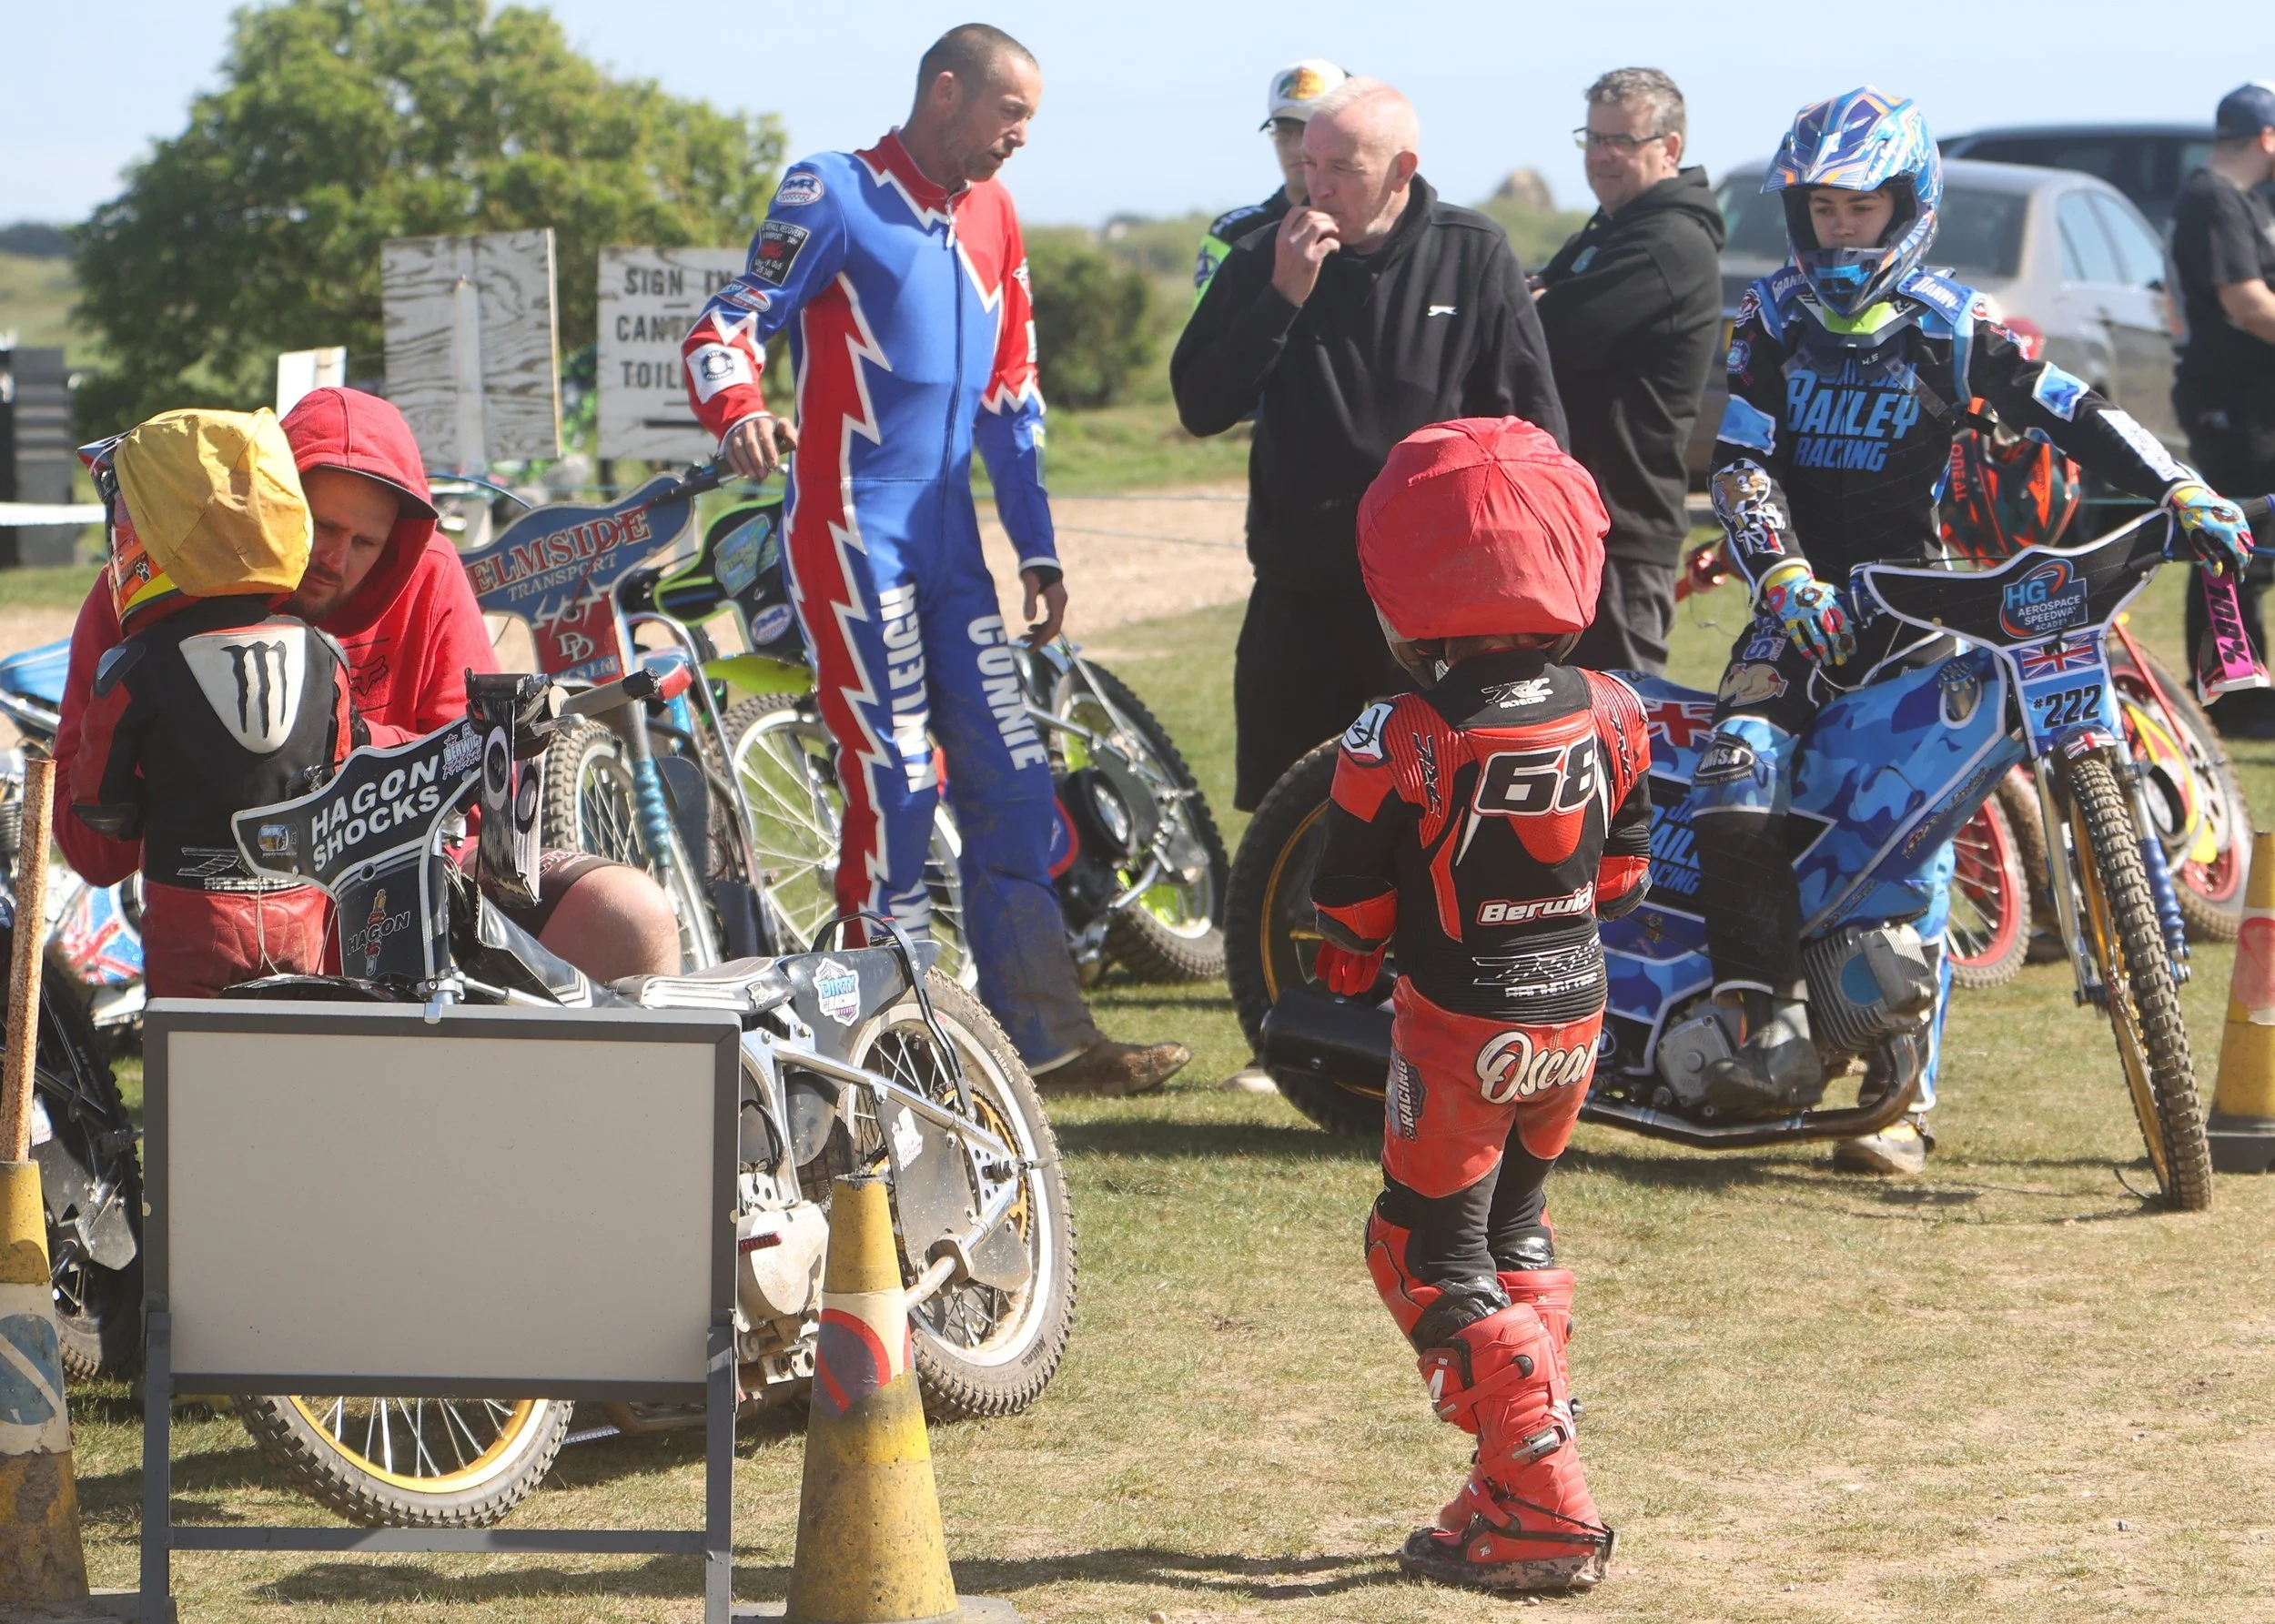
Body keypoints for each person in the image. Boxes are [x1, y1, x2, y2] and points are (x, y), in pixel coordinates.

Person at [1694, 87, 2253, 1173]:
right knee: (1735, 776)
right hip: (1800, 606)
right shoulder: (1766, 318)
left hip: (1928, 608)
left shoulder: (1954, 323)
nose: (1838, 230)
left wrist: (2181, 488)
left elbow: (2074, 412)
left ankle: (1901, 1100)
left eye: (1859, 209)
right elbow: (1740, 463)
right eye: (1820, 211)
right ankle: (1757, 1021)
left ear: (1907, 205)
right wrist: (1786, 576)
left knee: (1921, 830)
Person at [678, 24, 1188, 1096]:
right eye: (1011, 116)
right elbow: (727, 324)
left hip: (953, 546)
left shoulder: (998, 217)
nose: (1020, 141)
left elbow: (1015, 400)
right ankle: (883, 1038)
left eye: (1031, 123)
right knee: (897, 780)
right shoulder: (831, 191)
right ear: (946, 93)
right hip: (851, 530)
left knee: (1009, 784)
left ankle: (1046, 1040)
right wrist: (735, 412)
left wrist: (1037, 545)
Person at [1312, 417, 1646, 1594]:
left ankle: (1544, 1491)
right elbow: (1623, 874)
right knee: (1514, 1236)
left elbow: (1344, 900)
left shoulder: (1398, 730)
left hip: (1460, 1031)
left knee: (1419, 1253)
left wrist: (1349, 966)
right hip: (1575, 1019)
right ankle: (1508, 1486)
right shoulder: (1615, 706)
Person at [54, 387, 686, 985]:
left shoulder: (429, 573)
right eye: (321, 528)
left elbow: (479, 797)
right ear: (271, 503)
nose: (336, 557)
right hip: (223, 916)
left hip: (410, 902)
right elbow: (89, 847)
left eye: (366, 542)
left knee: (630, 916)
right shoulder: (149, 588)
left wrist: (326, 754)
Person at [1172, 76, 1568, 816]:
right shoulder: (1265, 255)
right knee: (1288, 827)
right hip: (1297, 595)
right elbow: (1201, 405)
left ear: (1400, 170)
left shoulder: (1473, 253)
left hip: (1431, 612)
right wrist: (1281, 296)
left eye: (1341, 170)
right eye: (1308, 164)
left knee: (1429, 820)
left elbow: (1534, 428)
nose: (1315, 187)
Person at [66, 409, 351, 997]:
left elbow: (99, 802)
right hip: (299, 903)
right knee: (303, 1061)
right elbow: (348, 774)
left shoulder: (134, 662)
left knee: (187, 1067)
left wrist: (139, 806)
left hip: (190, 907)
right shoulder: (327, 653)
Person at [1534, 67, 1725, 677]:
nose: (1602, 156)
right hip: (1571, 526)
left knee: (1615, 738)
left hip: (1620, 534)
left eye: (1621, 140)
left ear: (1669, 148)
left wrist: (1540, 299)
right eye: (1592, 139)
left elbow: (1544, 334)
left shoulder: (1667, 244)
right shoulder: (1614, 229)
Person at [2174, 82, 2275, 737]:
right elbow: (2244, 301)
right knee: (2237, 540)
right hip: (2231, 405)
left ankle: (2244, 690)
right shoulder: (2214, 197)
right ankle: (2232, 697)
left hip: (2250, 400)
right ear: (2267, 138)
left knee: (2247, 542)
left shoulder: (2236, 199)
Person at [1189, 58, 1348, 307]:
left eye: (1308, 129)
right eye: (1284, 131)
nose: (1296, 147)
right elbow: (1208, 335)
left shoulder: (1372, 229)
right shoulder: (1235, 233)